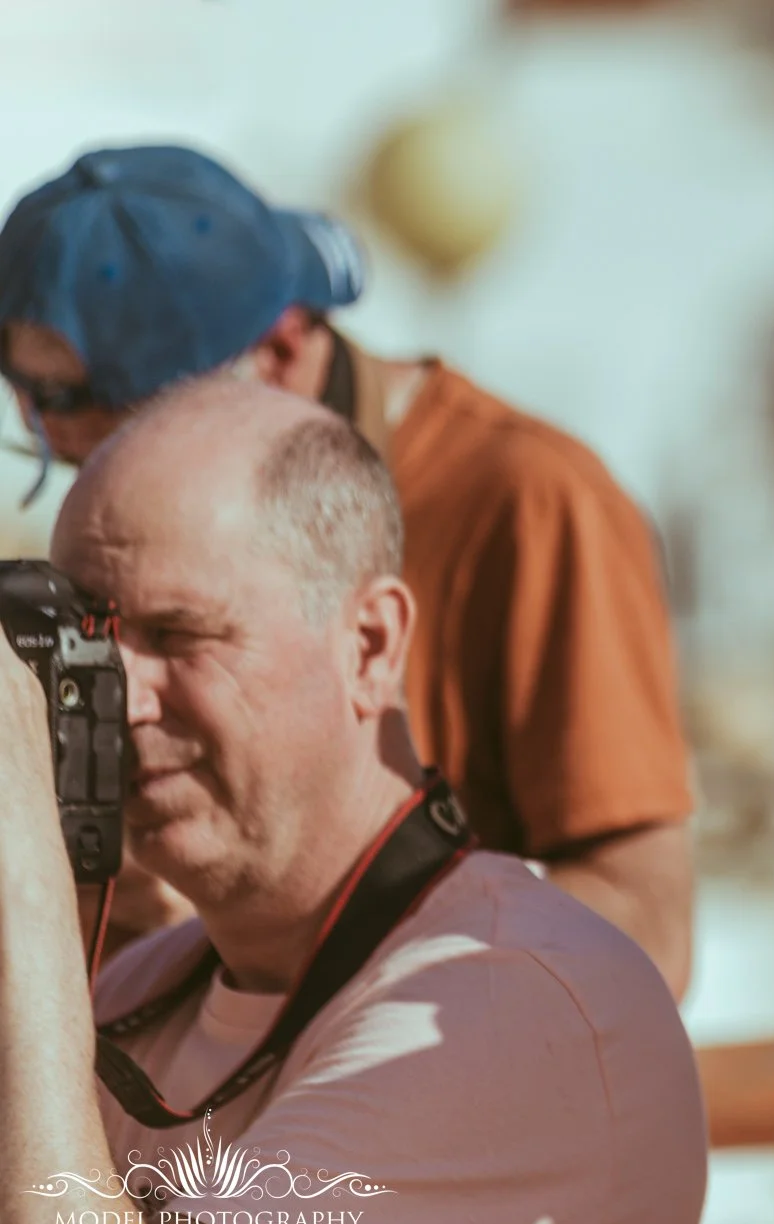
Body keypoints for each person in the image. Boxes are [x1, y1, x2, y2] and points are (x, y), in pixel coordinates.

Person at [0, 377, 705, 1224]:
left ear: (370, 645)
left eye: (177, 635)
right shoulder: (138, 993)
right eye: (93, 641)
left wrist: (24, 869)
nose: (118, 701)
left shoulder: (506, 1000)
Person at [0, 145, 695, 997]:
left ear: (282, 349)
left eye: (126, 442)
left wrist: (254, 934)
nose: (93, 490)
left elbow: (650, 935)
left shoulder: (532, 499)